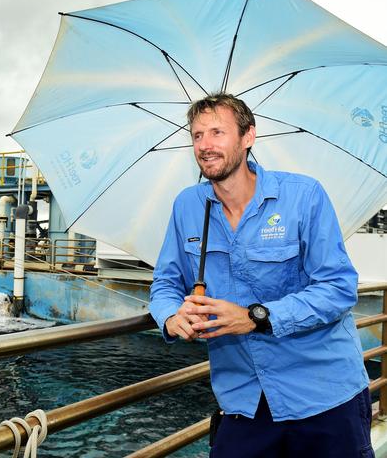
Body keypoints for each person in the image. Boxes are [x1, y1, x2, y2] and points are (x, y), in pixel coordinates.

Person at [149, 93, 373, 458]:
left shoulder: (304, 196)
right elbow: (165, 283)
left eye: (217, 132)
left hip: (324, 395)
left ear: (248, 137)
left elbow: (338, 288)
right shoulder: (188, 206)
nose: (205, 145)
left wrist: (255, 317)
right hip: (243, 401)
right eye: (197, 135)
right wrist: (173, 317)